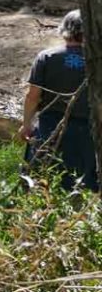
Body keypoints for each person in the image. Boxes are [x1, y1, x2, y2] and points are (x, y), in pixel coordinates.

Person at [19, 10, 97, 191]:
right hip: (86, 130)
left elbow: (33, 96)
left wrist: (26, 124)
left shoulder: (46, 57)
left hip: (49, 126)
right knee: (83, 185)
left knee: (41, 181)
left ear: (65, 29)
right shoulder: (96, 60)